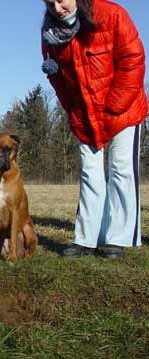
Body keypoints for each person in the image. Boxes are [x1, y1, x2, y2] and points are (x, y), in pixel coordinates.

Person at [40, 0, 147, 258]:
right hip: (84, 115)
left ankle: (117, 239)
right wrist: (72, 108)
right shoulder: (50, 32)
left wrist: (114, 106)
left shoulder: (112, 14)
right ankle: (86, 239)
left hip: (123, 109)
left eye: (61, 0)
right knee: (90, 173)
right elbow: (56, 76)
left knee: (121, 170)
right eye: (50, 3)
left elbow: (133, 59)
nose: (57, 7)